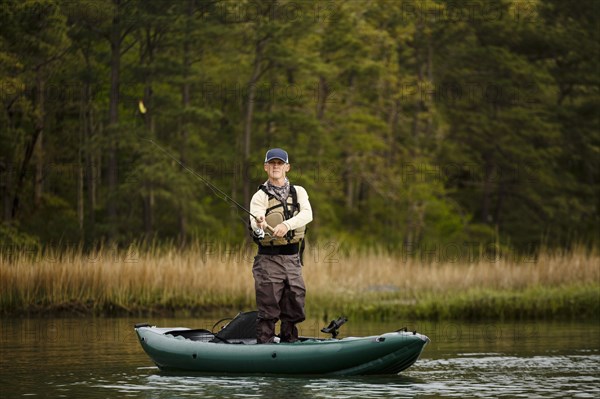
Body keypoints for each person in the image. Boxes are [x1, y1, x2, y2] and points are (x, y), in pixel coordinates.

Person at [249, 148, 313, 343]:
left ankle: (289, 342)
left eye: (280, 163)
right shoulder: (259, 196)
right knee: (268, 306)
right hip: (268, 259)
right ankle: (265, 345)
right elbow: (256, 231)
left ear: (287, 167)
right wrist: (260, 226)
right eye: (272, 163)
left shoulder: (299, 191)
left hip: (293, 259)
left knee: (294, 303)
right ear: (266, 167)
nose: (276, 166)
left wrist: (286, 225)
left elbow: (307, 215)